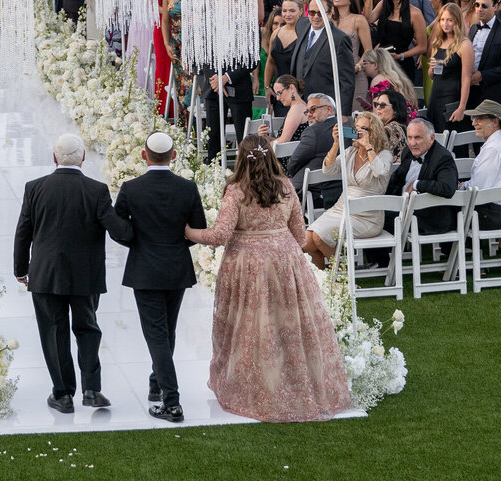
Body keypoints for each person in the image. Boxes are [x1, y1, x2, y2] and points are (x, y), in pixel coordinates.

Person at [186, 135, 351, 421]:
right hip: (285, 263)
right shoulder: (286, 187)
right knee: (288, 325)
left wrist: (188, 232)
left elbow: (220, 235)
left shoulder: (237, 191)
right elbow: (300, 236)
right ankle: (298, 383)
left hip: (247, 264)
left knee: (252, 327)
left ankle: (261, 387)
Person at [12, 132, 130, 413]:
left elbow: (23, 232)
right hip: (85, 275)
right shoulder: (97, 190)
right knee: (88, 329)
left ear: (54, 158)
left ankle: (63, 395)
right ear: (84, 158)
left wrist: (20, 268)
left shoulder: (34, 187)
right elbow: (118, 230)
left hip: (45, 273)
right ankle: (91, 389)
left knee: (54, 332)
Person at [111, 130, 207, 421]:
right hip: (176, 267)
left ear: (144, 155)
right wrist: (175, 245)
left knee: (157, 334)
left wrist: (139, 244)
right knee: (167, 331)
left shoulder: (131, 188)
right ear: (174, 156)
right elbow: (196, 229)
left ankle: (172, 400)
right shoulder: (187, 187)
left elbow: (119, 230)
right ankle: (157, 383)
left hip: (145, 269)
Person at [303, 111, 395, 266]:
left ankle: (340, 277)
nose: (357, 131)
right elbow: (328, 169)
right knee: (307, 241)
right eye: (356, 127)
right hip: (341, 209)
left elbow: (380, 171)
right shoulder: (351, 152)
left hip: (367, 217)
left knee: (319, 237)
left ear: (374, 132)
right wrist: (336, 144)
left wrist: (368, 146)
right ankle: (323, 281)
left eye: (363, 129)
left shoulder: (384, 154)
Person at [386, 115, 460, 233]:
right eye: (409, 138)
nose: (412, 143)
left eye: (417, 138)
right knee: (374, 213)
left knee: (381, 219)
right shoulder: (408, 152)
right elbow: (397, 179)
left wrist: (416, 184)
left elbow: (447, 188)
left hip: (431, 217)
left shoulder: (443, 157)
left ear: (432, 137)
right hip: (405, 207)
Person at [290, 0, 355, 114]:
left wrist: (344, 113)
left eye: (320, 13)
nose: (316, 16)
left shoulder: (339, 39)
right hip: (301, 104)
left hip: (324, 107)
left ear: (330, 14)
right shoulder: (301, 25)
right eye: (312, 12)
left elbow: (347, 80)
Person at [425, 4, 474, 133]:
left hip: (452, 99)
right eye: (442, 19)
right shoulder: (438, 41)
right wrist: (431, 68)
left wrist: (461, 107)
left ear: (457, 21)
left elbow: (466, 79)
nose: (445, 24)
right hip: (435, 97)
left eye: (449, 20)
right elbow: (433, 75)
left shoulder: (464, 45)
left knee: (452, 139)